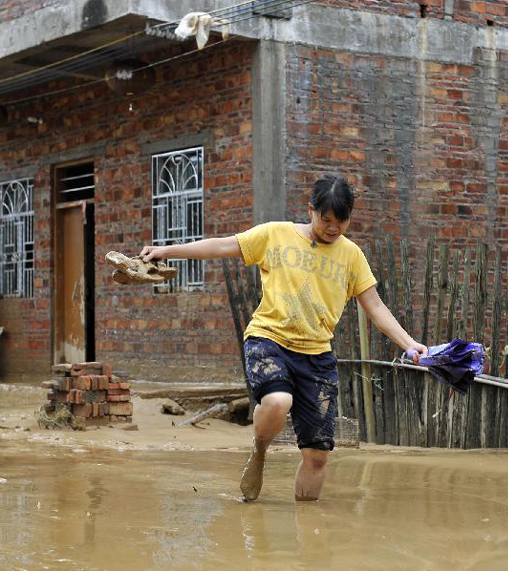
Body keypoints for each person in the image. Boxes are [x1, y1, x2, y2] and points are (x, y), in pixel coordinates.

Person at [140, 174, 428, 502]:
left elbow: (375, 306)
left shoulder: (351, 256)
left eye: (342, 220)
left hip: (317, 356)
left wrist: (409, 343)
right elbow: (223, 245)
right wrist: (169, 250)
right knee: (279, 401)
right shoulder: (275, 235)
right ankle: (260, 448)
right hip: (269, 340)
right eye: (326, 219)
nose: (333, 228)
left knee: (318, 457)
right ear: (311, 210)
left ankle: (307, 536)